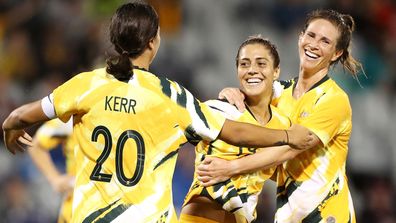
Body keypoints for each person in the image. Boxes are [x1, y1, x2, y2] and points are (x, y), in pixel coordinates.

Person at [2, 2, 314, 222]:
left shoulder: (86, 85)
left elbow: (21, 115)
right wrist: (286, 135)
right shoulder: (170, 96)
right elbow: (231, 131)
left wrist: (12, 126)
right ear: (153, 42)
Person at [197, 9, 363, 223]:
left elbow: (290, 148)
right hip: (288, 214)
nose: (314, 45)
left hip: (327, 214)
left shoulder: (334, 99)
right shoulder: (280, 92)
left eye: (325, 41)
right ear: (300, 37)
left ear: (337, 53)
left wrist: (230, 168)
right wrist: (232, 92)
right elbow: (251, 104)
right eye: (311, 35)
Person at [180, 36, 302, 223]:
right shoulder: (219, 109)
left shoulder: (283, 124)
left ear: (276, 71)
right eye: (244, 64)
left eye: (261, 64)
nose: (252, 70)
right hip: (202, 215)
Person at [27, 118, 75, 223]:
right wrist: (55, 179)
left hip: (116, 200)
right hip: (77, 206)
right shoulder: (74, 117)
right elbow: (35, 145)